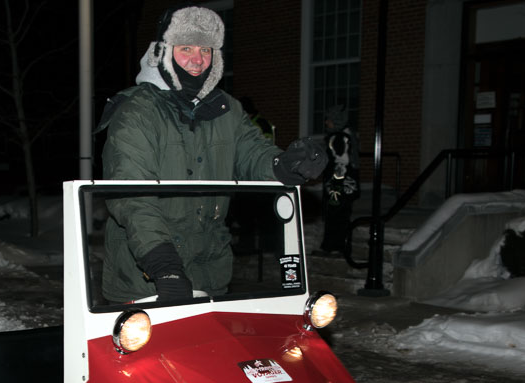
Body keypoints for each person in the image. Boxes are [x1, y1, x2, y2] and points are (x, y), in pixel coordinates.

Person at [96, 4, 326, 304]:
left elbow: (251, 153)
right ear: (164, 52)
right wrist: (163, 266)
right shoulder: (137, 112)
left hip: (210, 274)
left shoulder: (226, 110)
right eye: (186, 48)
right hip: (145, 278)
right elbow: (130, 196)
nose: (197, 60)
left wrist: (284, 165)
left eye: (206, 50)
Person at [317, 105, 360, 256]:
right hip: (345, 187)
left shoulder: (338, 138)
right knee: (340, 216)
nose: (326, 123)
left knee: (335, 216)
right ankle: (336, 246)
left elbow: (341, 162)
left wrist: (334, 185)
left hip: (338, 187)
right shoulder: (349, 135)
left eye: (329, 120)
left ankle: (334, 246)